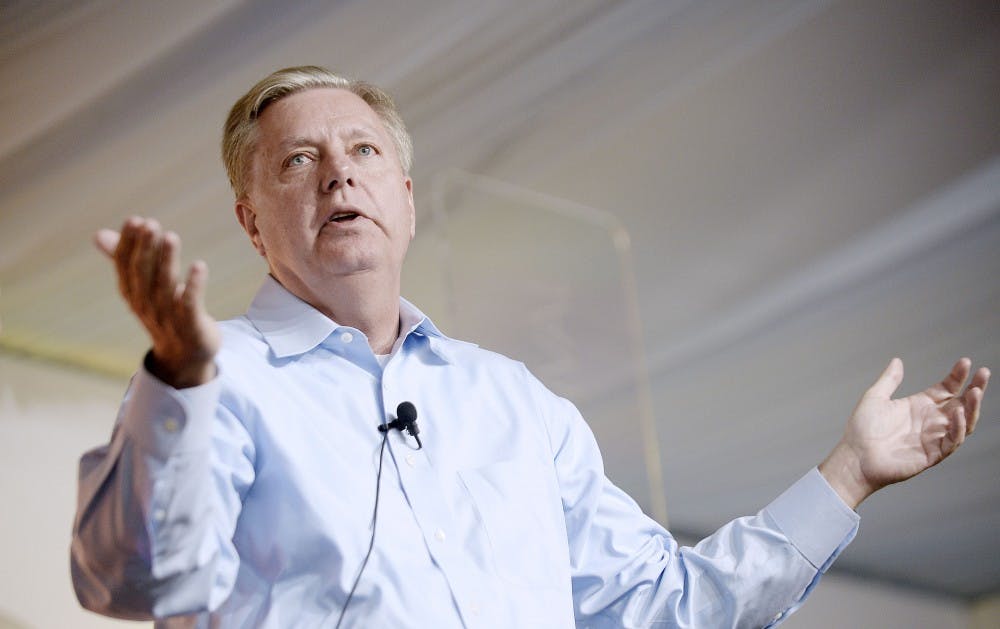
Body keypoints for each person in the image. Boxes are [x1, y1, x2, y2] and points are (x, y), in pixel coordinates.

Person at [71, 66, 990, 628]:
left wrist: (848, 475)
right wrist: (179, 381)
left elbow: (667, 607)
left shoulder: (513, 400)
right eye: (299, 160)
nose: (340, 171)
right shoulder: (210, 375)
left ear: (406, 196)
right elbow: (129, 577)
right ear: (249, 221)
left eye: (362, 151)